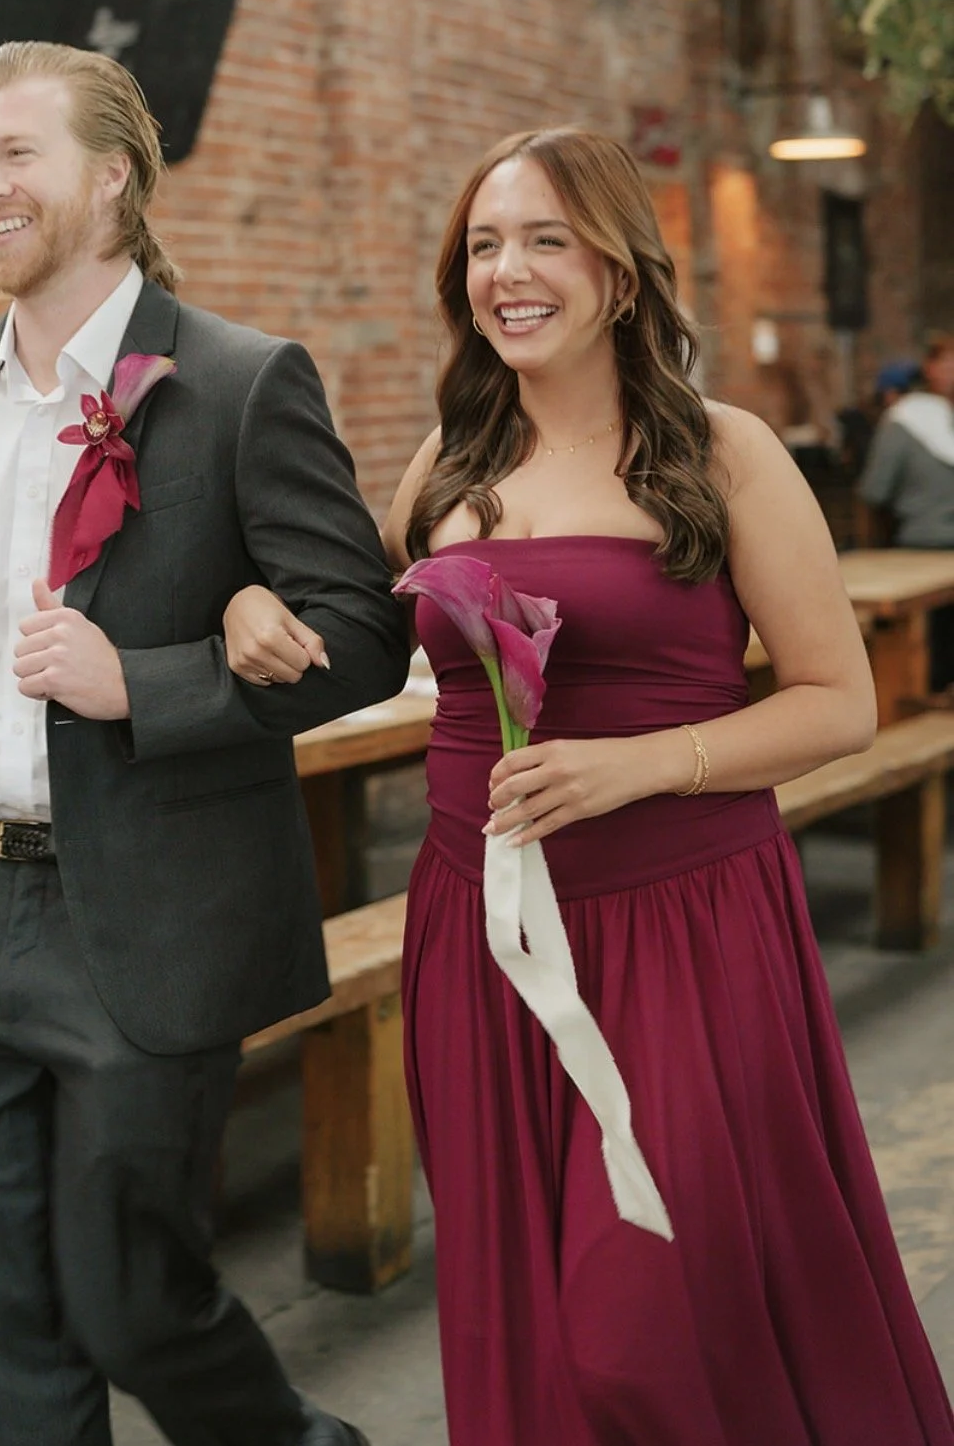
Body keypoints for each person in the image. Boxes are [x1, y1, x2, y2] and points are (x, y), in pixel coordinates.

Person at [224, 129, 954, 1444]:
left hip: (683, 929)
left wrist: (646, 764)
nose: (507, 271)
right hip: (481, 933)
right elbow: (347, 638)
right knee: (536, 1317)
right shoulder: (449, 461)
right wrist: (244, 604)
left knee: (649, 1325)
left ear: (620, 272)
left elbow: (840, 700)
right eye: (485, 245)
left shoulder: (723, 453)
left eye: (545, 240)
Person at [0, 40, 408, 1446]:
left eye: (15, 154)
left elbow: (365, 636)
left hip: (146, 916)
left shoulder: (240, 380)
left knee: (129, 1299)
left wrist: (141, 685)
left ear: (112, 176)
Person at [860, 333, 954, 688]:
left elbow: (875, 490)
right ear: (929, 369)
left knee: (935, 655)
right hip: (926, 551)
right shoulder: (909, 420)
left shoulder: (904, 422)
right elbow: (876, 490)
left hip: (925, 546)